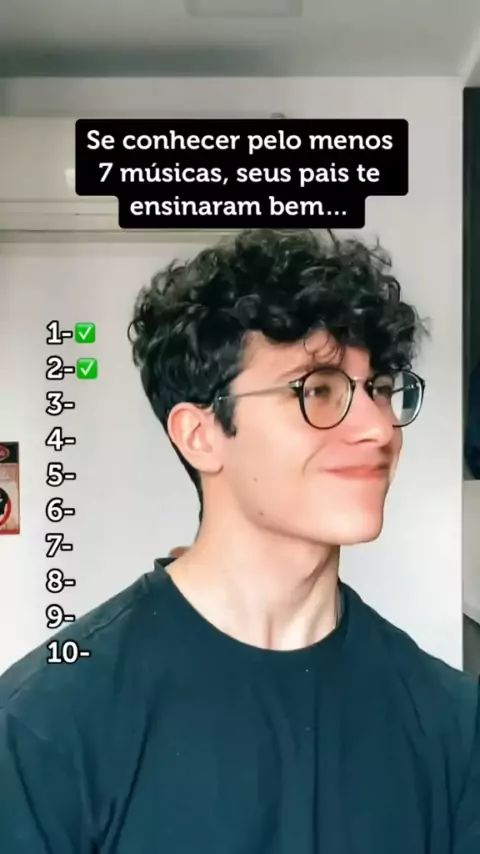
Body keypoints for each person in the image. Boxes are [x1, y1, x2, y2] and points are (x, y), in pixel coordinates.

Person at [0, 228, 478, 853]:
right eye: (319, 389)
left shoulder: (451, 722)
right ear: (200, 435)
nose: (379, 428)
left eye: (381, 388)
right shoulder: (46, 724)